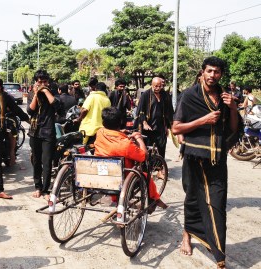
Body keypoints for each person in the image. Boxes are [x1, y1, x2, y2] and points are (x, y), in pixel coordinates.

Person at [172, 56, 239, 269]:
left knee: (217, 204)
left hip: (217, 158)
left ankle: (217, 249)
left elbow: (233, 129)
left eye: (217, 72)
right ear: (202, 72)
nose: (212, 75)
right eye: (209, 71)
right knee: (192, 198)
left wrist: (234, 108)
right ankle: (187, 236)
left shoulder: (225, 97)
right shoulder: (189, 95)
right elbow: (176, 128)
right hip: (194, 158)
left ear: (221, 74)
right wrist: (204, 120)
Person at [94, 107, 168, 210]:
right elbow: (144, 156)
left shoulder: (100, 133)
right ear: (120, 122)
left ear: (103, 122)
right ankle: (155, 199)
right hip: (122, 177)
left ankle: (117, 200)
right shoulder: (125, 144)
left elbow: (112, 134)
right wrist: (138, 138)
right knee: (146, 176)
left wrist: (121, 132)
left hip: (100, 173)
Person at [27, 69, 60, 200]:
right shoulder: (31, 94)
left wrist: (46, 91)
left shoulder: (52, 93)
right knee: (36, 161)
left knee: (47, 162)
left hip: (48, 132)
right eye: (40, 82)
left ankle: (46, 190)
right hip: (35, 132)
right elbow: (30, 110)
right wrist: (35, 94)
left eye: (45, 82)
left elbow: (56, 105)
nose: (42, 84)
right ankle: (38, 187)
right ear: (35, 82)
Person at [135, 77, 174, 159]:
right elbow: (140, 111)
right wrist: (144, 123)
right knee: (149, 148)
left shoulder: (165, 95)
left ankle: (160, 168)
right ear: (151, 85)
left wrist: (167, 126)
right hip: (149, 127)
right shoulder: (146, 95)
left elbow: (168, 111)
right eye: (156, 86)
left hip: (161, 127)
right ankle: (148, 168)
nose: (158, 88)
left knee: (161, 147)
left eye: (160, 86)